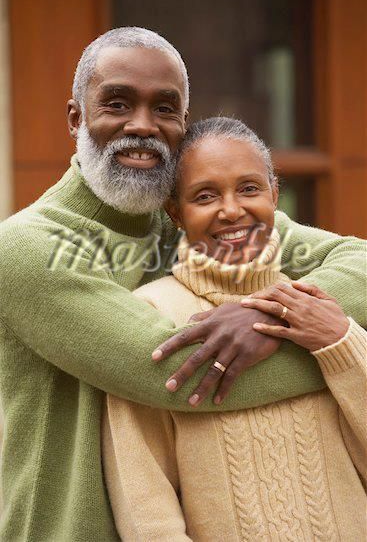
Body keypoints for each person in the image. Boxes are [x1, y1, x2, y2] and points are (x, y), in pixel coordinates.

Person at [0, 27, 365, 541]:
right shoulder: (30, 248)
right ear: (76, 117)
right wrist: (332, 344)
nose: (143, 126)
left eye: (165, 109)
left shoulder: (198, 220)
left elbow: (360, 261)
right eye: (118, 104)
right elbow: (178, 373)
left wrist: (267, 316)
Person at [104, 117, 367, 541]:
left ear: (274, 194)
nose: (231, 210)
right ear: (175, 212)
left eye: (249, 188)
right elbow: (144, 504)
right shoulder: (153, 313)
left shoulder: (316, 307)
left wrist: (341, 343)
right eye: (205, 196)